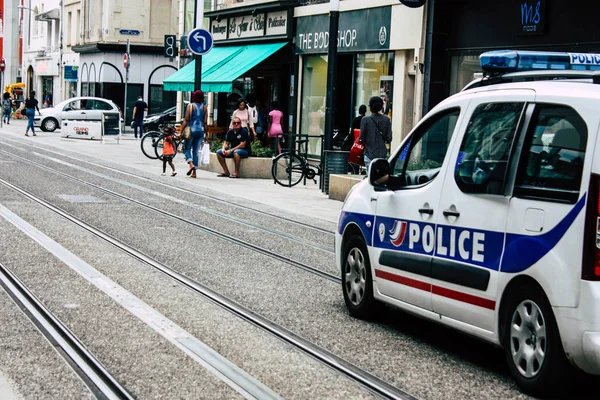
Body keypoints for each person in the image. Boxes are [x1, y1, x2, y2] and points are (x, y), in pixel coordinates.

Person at [359, 96, 392, 170]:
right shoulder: (386, 120)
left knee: (370, 178)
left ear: (370, 107)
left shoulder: (365, 120)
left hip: (369, 154)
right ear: (381, 107)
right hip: (382, 155)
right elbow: (389, 138)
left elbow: (361, 139)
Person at [180, 90, 207, 179]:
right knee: (195, 151)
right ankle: (194, 172)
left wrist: (181, 130)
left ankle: (191, 164)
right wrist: (206, 134)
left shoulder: (190, 106)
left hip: (192, 129)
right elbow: (205, 122)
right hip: (201, 130)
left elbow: (186, 119)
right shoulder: (204, 108)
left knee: (186, 148)